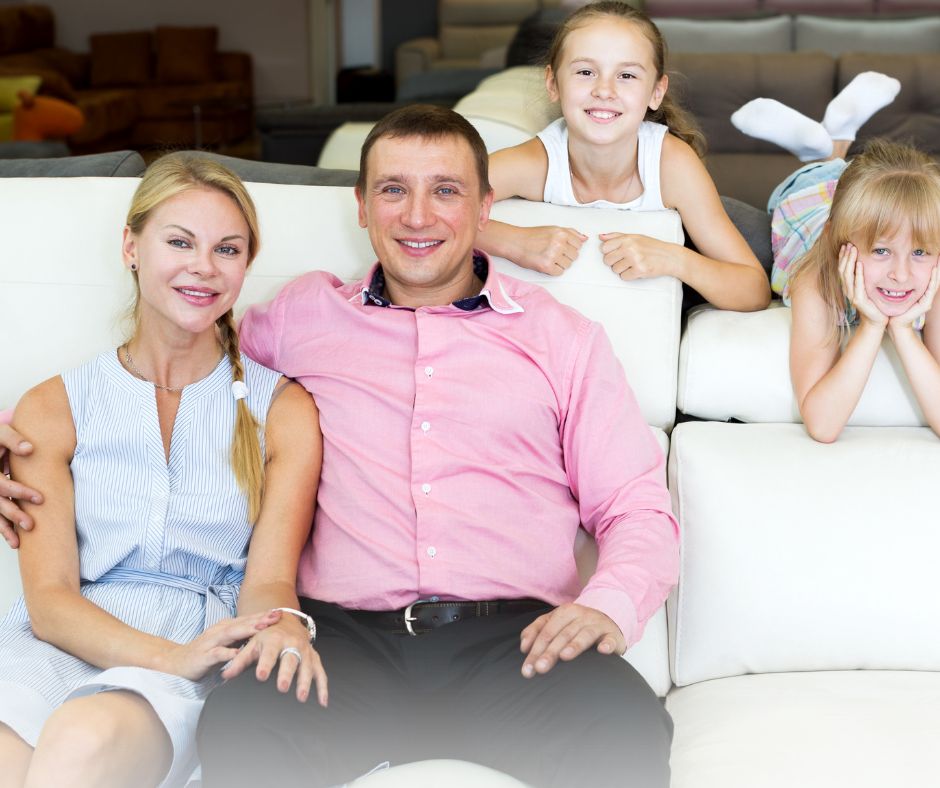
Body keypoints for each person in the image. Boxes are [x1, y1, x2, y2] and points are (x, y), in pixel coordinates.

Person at [1, 107, 678, 787]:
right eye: (392, 190)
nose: (417, 216)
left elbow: (637, 508)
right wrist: (11, 444)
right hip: (344, 647)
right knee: (243, 722)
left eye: (445, 191)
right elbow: (186, 360)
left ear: (484, 208)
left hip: (515, 642)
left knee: (622, 724)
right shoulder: (300, 319)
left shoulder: (562, 339)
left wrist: (608, 606)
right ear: (361, 206)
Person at [0, 154, 323, 787]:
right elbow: (52, 603)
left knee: (83, 738)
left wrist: (251, 638)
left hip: (201, 644)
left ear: (246, 265)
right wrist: (171, 656)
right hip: (62, 645)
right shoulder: (52, 408)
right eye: (179, 242)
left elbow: (269, 582)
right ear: (131, 246)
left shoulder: (282, 410)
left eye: (227, 249)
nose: (203, 267)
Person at [478, 1, 770, 311]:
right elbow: (430, 210)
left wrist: (675, 257)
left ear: (656, 92)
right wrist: (513, 242)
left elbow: (753, 289)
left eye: (627, 76)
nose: (605, 90)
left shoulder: (672, 164)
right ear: (553, 83)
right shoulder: (534, 162)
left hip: (742, 228)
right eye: (586, 71)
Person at [731, 79, 940, 443]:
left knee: (867, 198)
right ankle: (828, 150)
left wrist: (904, 331)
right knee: (825, 174)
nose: (901, 275)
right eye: (881, 252)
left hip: (869, 206)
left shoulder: (934, 278)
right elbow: (823, 425)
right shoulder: (817, 281)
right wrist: (874, 326)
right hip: (811, 204)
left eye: (920, 252)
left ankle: (833, 140)